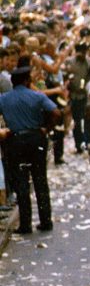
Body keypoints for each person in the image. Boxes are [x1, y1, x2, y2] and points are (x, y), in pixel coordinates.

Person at [0, 61, 60, 233]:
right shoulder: (37, 96)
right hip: (36, 139)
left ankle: (25, 224)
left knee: (21, 183)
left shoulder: (4, 99)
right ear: (27, 81)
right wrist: (46, 128)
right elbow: (56, 112)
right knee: (40, 180)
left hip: (16, 141)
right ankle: (45, 220)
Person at [64, 42, 90, 153]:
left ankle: (88, 142)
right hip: (74, 96)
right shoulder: (69, 62)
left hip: (86, 96)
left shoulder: (89, 63)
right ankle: (79, 144)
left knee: (88, 121)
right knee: (77, 122)